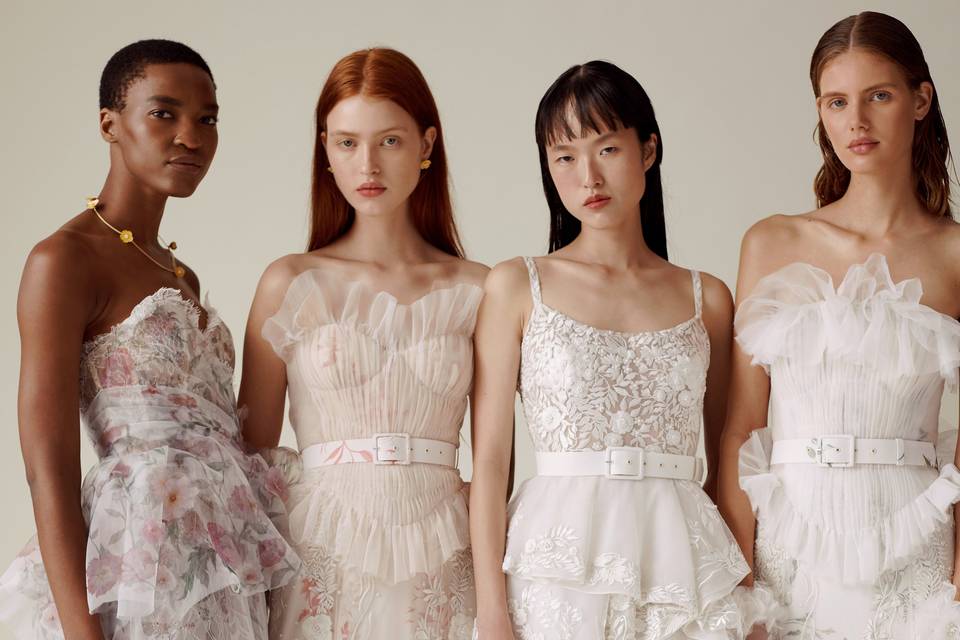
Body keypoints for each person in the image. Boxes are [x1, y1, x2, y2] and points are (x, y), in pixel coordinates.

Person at [0, 39, 299, 639]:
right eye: (164, 113)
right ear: (111, 124)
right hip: (139, 557)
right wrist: (82, 632)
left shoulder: (180, 275)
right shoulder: (64, 260)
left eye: (207, 118)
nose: (191, 135)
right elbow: (47, 467)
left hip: (220, 560)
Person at [470, 60, 762, 640]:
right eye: (565, 157)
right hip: (557, 569)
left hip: (684, 564)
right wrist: (492, 612)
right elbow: (488, 465)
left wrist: (743, 588)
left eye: (606, 149)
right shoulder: (514, 286)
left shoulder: (708, 298)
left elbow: (729, 457)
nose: (588, 177)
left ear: (648, 150)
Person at [718, 11, 960, 638]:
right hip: (793, 541)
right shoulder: (771, 241)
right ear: (821, 113)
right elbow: (742, 425)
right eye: (836, 101)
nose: (856, 120)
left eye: (878, 95)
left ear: (921, 101)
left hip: (914, 546)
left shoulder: (954, 253)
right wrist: (741, 590)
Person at [238, 47, 486, 639]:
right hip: (321, 548)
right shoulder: (290, 281)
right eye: (346, 142)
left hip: (445, 550)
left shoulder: (479, 287)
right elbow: (248, 458)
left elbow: (496, 456)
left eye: (390, 141)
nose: (367, 164)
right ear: (324, 148)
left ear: (427, 145)